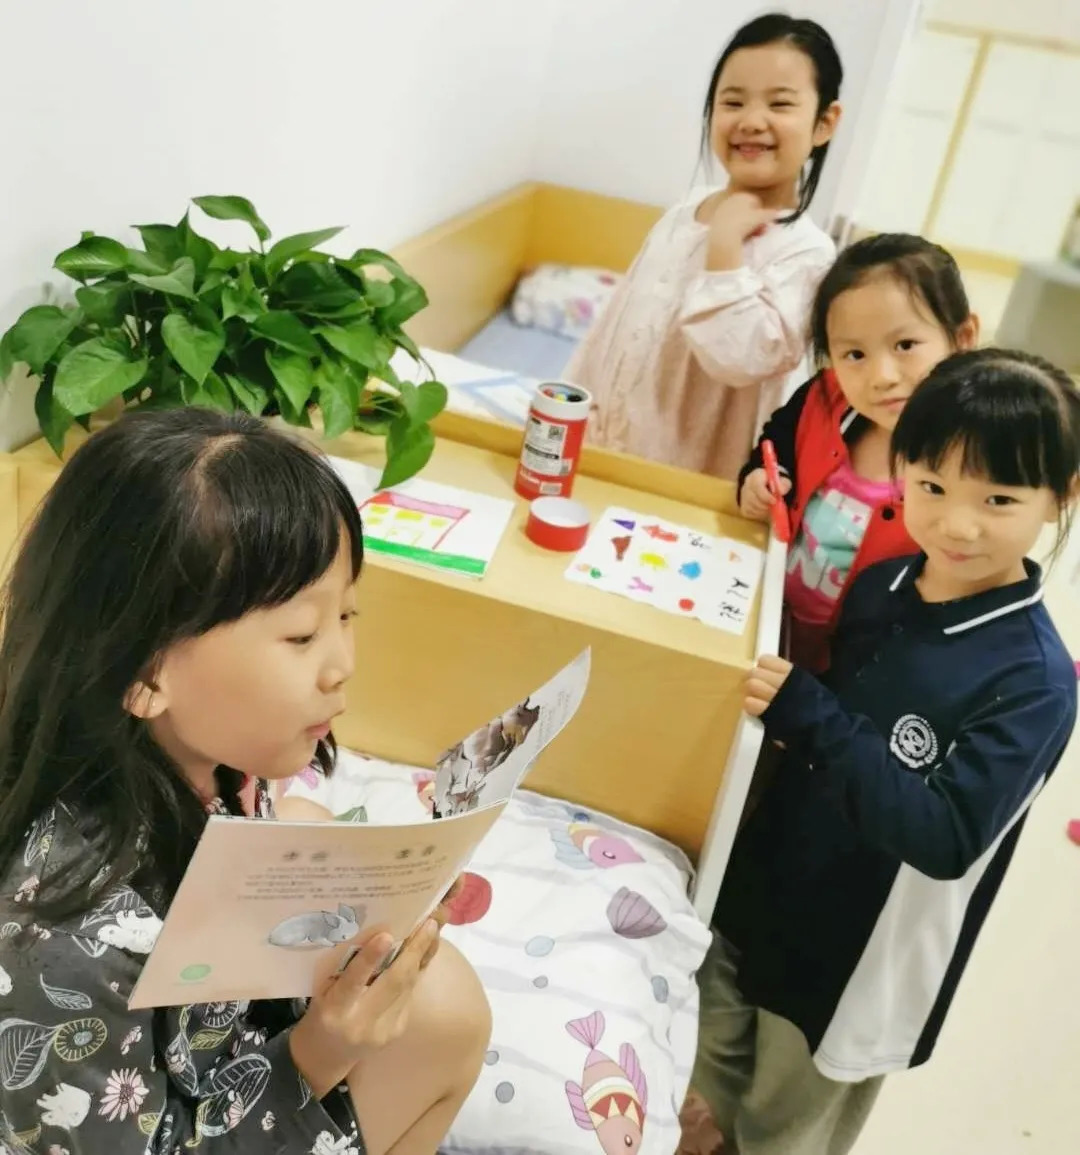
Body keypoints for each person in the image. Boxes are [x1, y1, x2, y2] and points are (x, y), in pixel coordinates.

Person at [0, 409, 491, 1155]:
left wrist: (388, 887)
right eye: (301, 634)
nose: (343, 664)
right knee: (446, 1011)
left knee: (419, 969)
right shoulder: (69, 942)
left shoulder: (212, 761)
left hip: (215, 1052)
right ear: (145, 673)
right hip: (178, 1123)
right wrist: (322, 1051)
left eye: (347, 614)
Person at [684, 348, 1080, 1155]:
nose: (957, 524)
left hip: (854, 960)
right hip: (764, 890)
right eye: (932, 486)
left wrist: (813, 715)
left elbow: (945, 835)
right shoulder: (884, 584)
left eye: (998, 499)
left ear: (1061, 496)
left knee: (782, 1128)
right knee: (708, 1067)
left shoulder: (1035, 680)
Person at [565, 13, 843, 481]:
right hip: (599, 450)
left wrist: (725, 248)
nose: (751, 121)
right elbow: (613, 328)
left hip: (686, 481)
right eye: (732, 101)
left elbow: (741, 359)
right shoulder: (684, 211)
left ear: (824, 123)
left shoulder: (807, 253)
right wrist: (572, 409)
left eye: (779, 104)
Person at [738, 233, 980, 671]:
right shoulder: (824, 399)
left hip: (854, 673)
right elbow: (775, 443)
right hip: (769, 622)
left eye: (905, 346)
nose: (882, 376)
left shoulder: (976, 465)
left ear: (961, 339)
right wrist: (758, 478)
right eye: (854, 354)